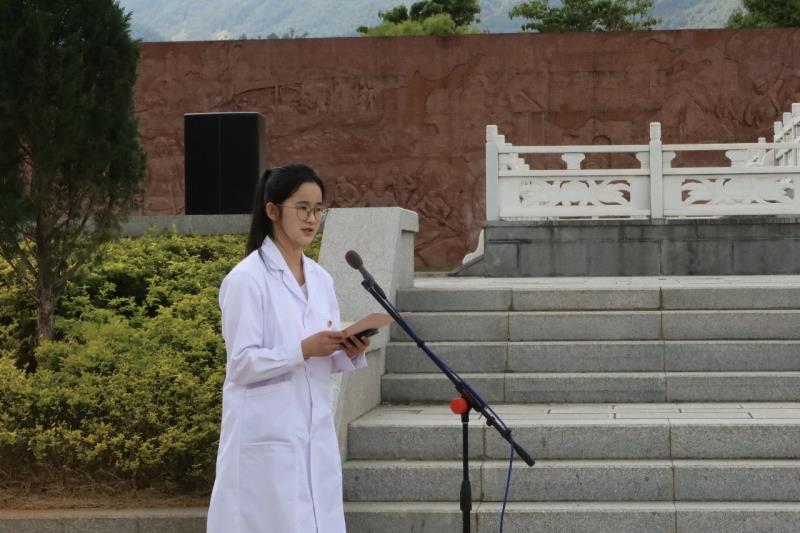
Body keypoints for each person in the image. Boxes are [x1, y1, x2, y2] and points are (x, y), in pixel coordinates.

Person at [207, 164, 369, 533]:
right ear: (273, 211)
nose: (312, 219)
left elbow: (320, 359)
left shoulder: (321, 279)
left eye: (318, 209)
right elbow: (242, 364)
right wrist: (303, 349)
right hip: (267, 438)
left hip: (314, 435)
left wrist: (348, 349)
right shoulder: (246, 280)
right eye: (303, 208)